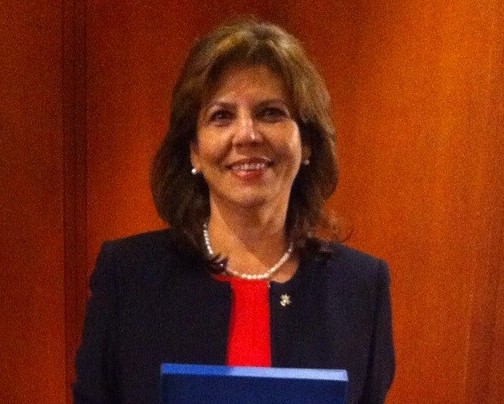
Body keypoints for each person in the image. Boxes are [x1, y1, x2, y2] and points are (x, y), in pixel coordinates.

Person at [74, 18, 395, 404]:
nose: (246, 135)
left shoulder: (360, 287)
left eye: (271, 112)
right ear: (194, 151)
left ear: (307, 143)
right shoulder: (128, 277)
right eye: (221, 116)